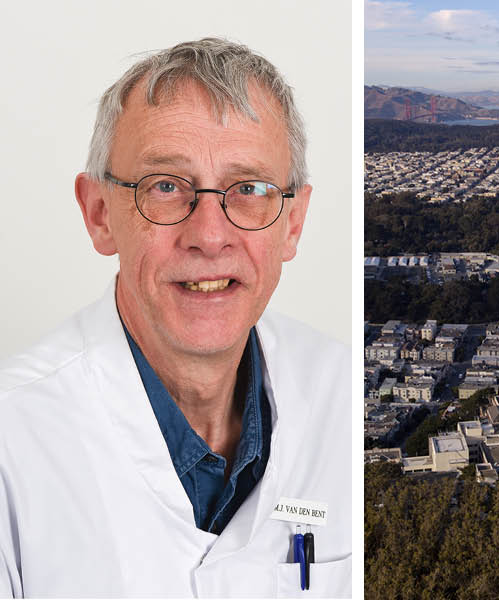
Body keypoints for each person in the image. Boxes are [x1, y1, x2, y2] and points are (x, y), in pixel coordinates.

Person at [0, 38, 351, 597]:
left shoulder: (344, 397)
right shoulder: (12, 446)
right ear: (98, 215)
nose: (210, 236)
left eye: (249, 189)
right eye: (165, 186)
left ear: (293, 223)